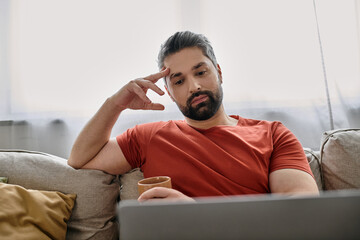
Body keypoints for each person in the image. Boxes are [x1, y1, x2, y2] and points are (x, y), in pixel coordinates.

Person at [68, 31, 319, 202]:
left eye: (200, 72)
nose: (194, 86)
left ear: (218, 72)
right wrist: (115, 104)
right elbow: (79, 158)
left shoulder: (273, 135)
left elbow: (301, 213)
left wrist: (192, 212)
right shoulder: (148, 137)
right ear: (169, 92)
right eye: (179, 80)